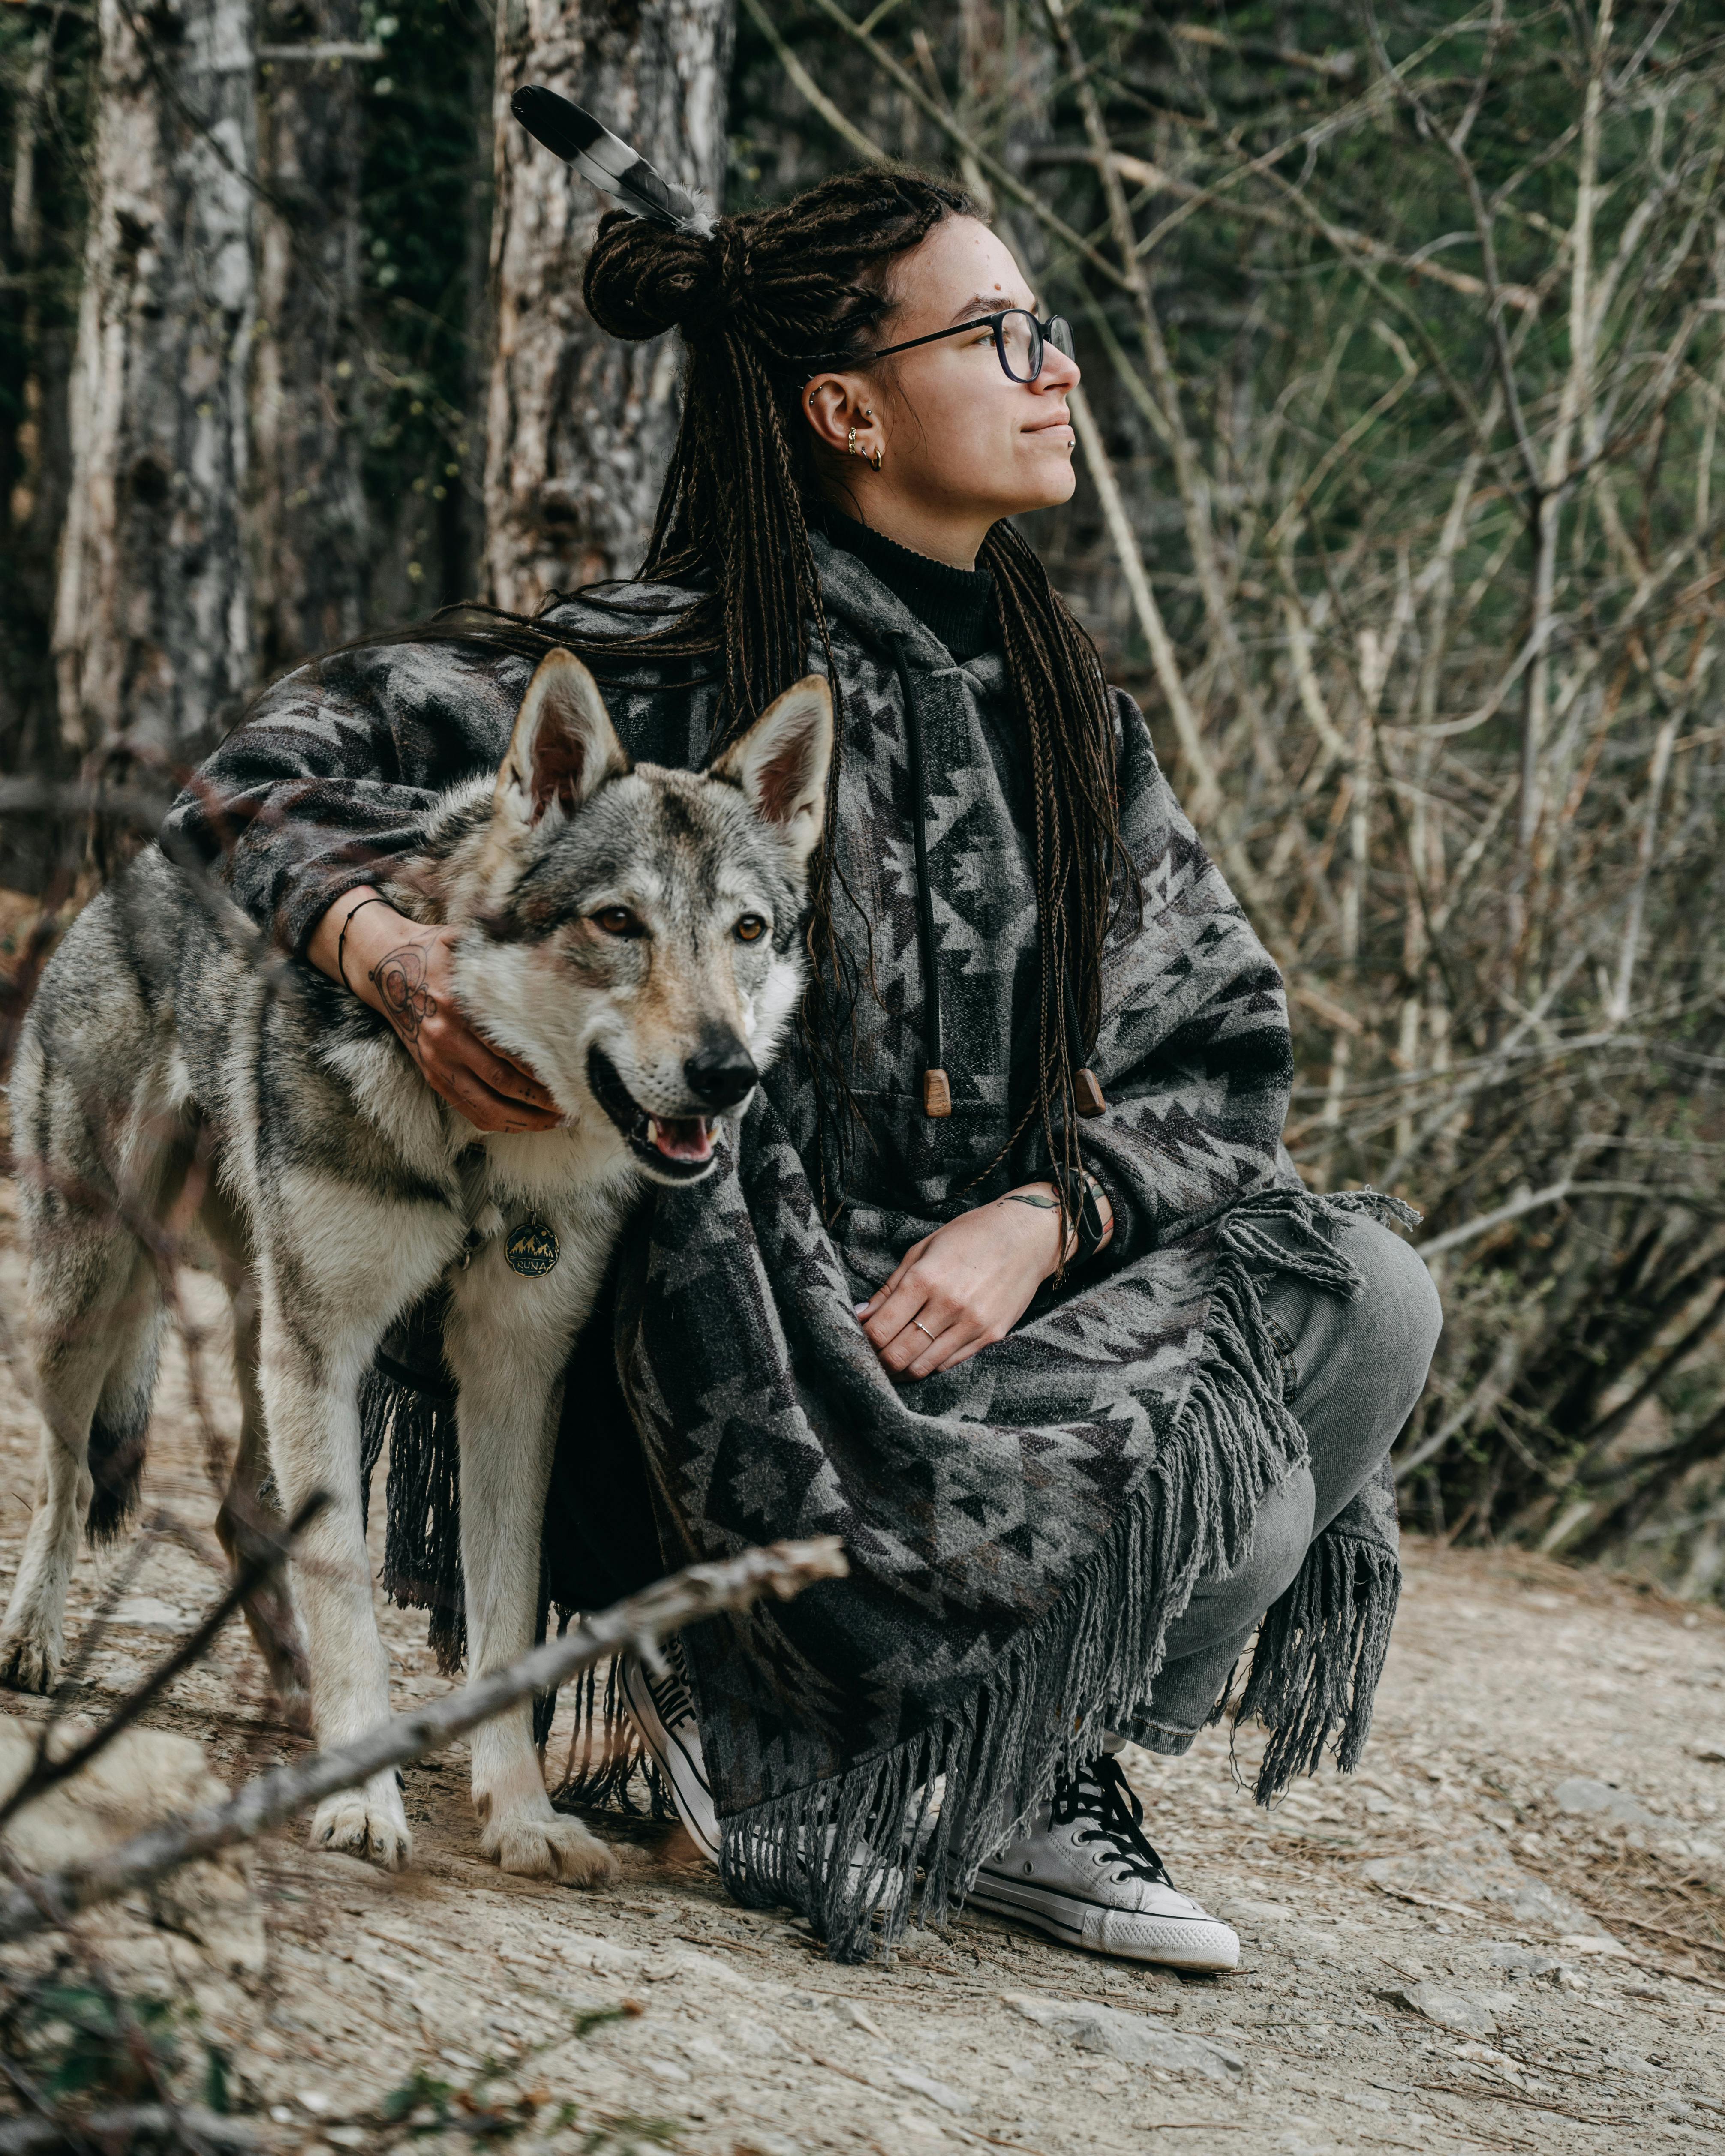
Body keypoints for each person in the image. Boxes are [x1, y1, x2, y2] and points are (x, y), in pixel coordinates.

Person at [165, 169, 1441, 1967]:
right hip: (742, 1377)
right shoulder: (657, 673)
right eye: (998, 334)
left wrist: (1038, 1219)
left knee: (1368, 1300)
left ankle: (1011, 1765)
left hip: (970, 1328)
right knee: (1243, 1503)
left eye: (1047, 329)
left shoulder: (1075, 726)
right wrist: (394, 959)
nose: (1052, 367)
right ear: (847, 408)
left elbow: (1222, 1054)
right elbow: (251, 774)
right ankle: (743, 1703)